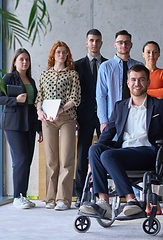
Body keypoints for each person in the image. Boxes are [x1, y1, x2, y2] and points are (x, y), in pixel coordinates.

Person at [79, 65, 163, 218]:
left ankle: (132, 200)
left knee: (107, 155)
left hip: (149, 154)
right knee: (95, 150)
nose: (137, 83)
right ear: (128, 83)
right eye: (133, 80)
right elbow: (106, 136)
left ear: (148, 82)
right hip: (122, 155)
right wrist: (92, 161)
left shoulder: (160, 106)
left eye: (141, 79)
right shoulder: (120, 107)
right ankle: (103, 202)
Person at [0, 48, 43, 209]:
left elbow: (36, 105)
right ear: (14, 62)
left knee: (27, 161)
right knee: (20, 159)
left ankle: (23, 195)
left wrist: (39, 129)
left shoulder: (32, 81)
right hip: (14, 124)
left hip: (29, 124)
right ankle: (17, 197)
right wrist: (15, 99)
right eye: (21, 59)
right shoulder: (8, 77)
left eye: (27, 59)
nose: (25, 62)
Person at [36, 41, 81, 211]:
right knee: (51, 160)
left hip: (67, 118)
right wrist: (39, 111)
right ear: (53, 55)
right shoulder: (44, 75)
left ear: (67, 55)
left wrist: (61, 109)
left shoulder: (72, 75)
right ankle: (50, 198)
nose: (61, 55)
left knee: (67, 159)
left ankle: (64, 199)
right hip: (47, 120)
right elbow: (39, 96)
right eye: (58, 52)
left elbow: (75, 98)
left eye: (64, 52)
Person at [74, 29, 108, 207]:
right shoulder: (77, 65)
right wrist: (75, 118)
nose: (94, 43)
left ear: (101, 43)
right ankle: (80, 195)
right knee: (82, 157)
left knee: (107, 155)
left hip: (105, 117)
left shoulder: (109, 64)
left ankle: (104, 195)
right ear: (86, 42)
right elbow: (74, 93)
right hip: (84, 117)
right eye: (91, 40)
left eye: (97, 40)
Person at [142, 40, 163, 215]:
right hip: (141, 119)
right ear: (143, 54)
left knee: (159, 164)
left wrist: (146, 91)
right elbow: (133, 91)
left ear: (159, 54)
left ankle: (157, 202)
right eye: (148, 52)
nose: (151, 55)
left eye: (154, 52)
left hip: (159, 119)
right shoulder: (139, 73)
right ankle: (146, 202)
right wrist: (156, 91)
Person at [96, 30, 143, 133]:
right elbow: (101, 95)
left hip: (136, 116)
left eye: (127, 42)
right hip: (113, 117)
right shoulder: (105, 67)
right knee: (112, 147)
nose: (123, 45)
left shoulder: (139, 66)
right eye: (120, 42)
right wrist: (103, 121)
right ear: (115, 45)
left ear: (131, 45)